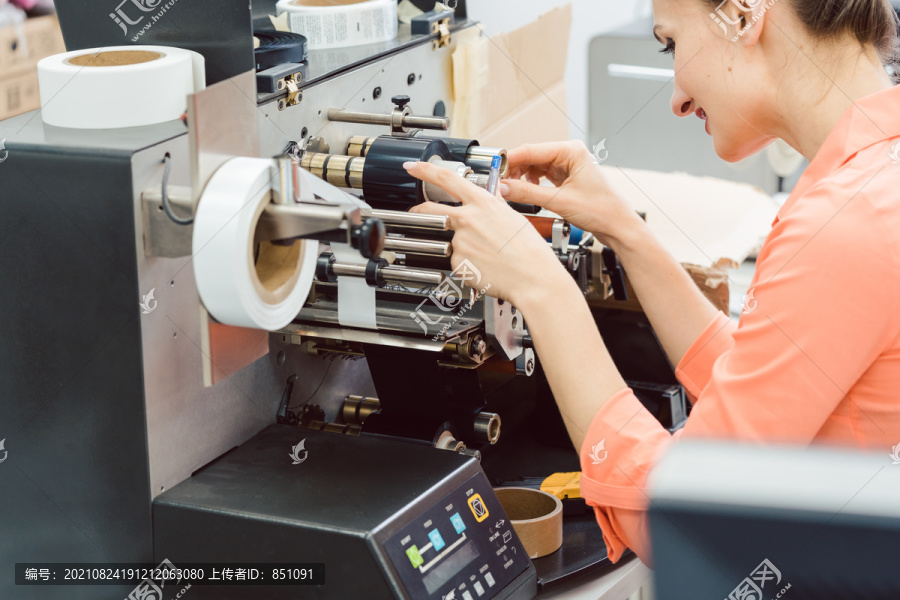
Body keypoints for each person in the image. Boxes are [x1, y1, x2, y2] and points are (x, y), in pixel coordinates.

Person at [402, 0, 900, 565]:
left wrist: (541, 287)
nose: (677, 99)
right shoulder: (873, 184)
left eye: (670, 44)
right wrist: (625, 233)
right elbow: (769, 400)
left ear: (743, 15)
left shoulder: (846, 224)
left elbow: (686, 524)